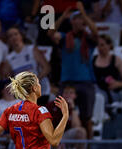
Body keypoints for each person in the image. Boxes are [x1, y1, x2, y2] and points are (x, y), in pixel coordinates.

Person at [48, 2, 99, 139]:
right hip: (66, 82)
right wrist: (63, 16)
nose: (79, 21)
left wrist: (83, 14)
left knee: (87, 116)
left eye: (81, 19)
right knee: (60, 114)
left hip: (85, 81)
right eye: (76, 18)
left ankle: (88, 147)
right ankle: (61, 145)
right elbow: (51, 33)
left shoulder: (88, 39)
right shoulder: (65, 38)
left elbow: (96, 32)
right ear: (71, 22)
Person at [5, 26, 51, 105]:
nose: (14, 37)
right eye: (10, 36)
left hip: (41, 92)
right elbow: (8, 78)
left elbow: (47, 68)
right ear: (8, 40)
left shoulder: (31, 49)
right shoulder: (8, 58)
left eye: (16, 34)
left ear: (21, 35)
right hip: (24, 96)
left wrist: (35, 81)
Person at [47, 85, 87, 149]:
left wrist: (72, 108)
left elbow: (76, 126)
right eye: (66, 93)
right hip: (53, 134)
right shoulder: (53, 105)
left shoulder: (75, 108)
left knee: (82, 132)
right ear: (62, 95)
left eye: (71, 93)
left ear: (75, 96)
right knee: (58, 145)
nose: (68, 95)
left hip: (66, 135)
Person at [93, 34, 122, 104]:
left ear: (109, 45)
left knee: (98, 97)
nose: (100, 48)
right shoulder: (93, 59)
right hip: (97, 89)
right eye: (98, 45)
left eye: (102, 45)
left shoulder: (116, 60)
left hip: (111, 92)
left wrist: (118, 84)